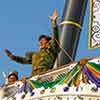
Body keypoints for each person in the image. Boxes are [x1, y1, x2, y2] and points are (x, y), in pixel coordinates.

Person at [5, 9, 60, 76]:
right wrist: (13, 57)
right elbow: (23, 60)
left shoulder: (51, 50)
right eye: (40, 41)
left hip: (45, 75)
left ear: (48, 42)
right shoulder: (35, 55)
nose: (41, 42)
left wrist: (54, 23)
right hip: (34, 77)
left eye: (43, 40)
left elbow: (55, 39)